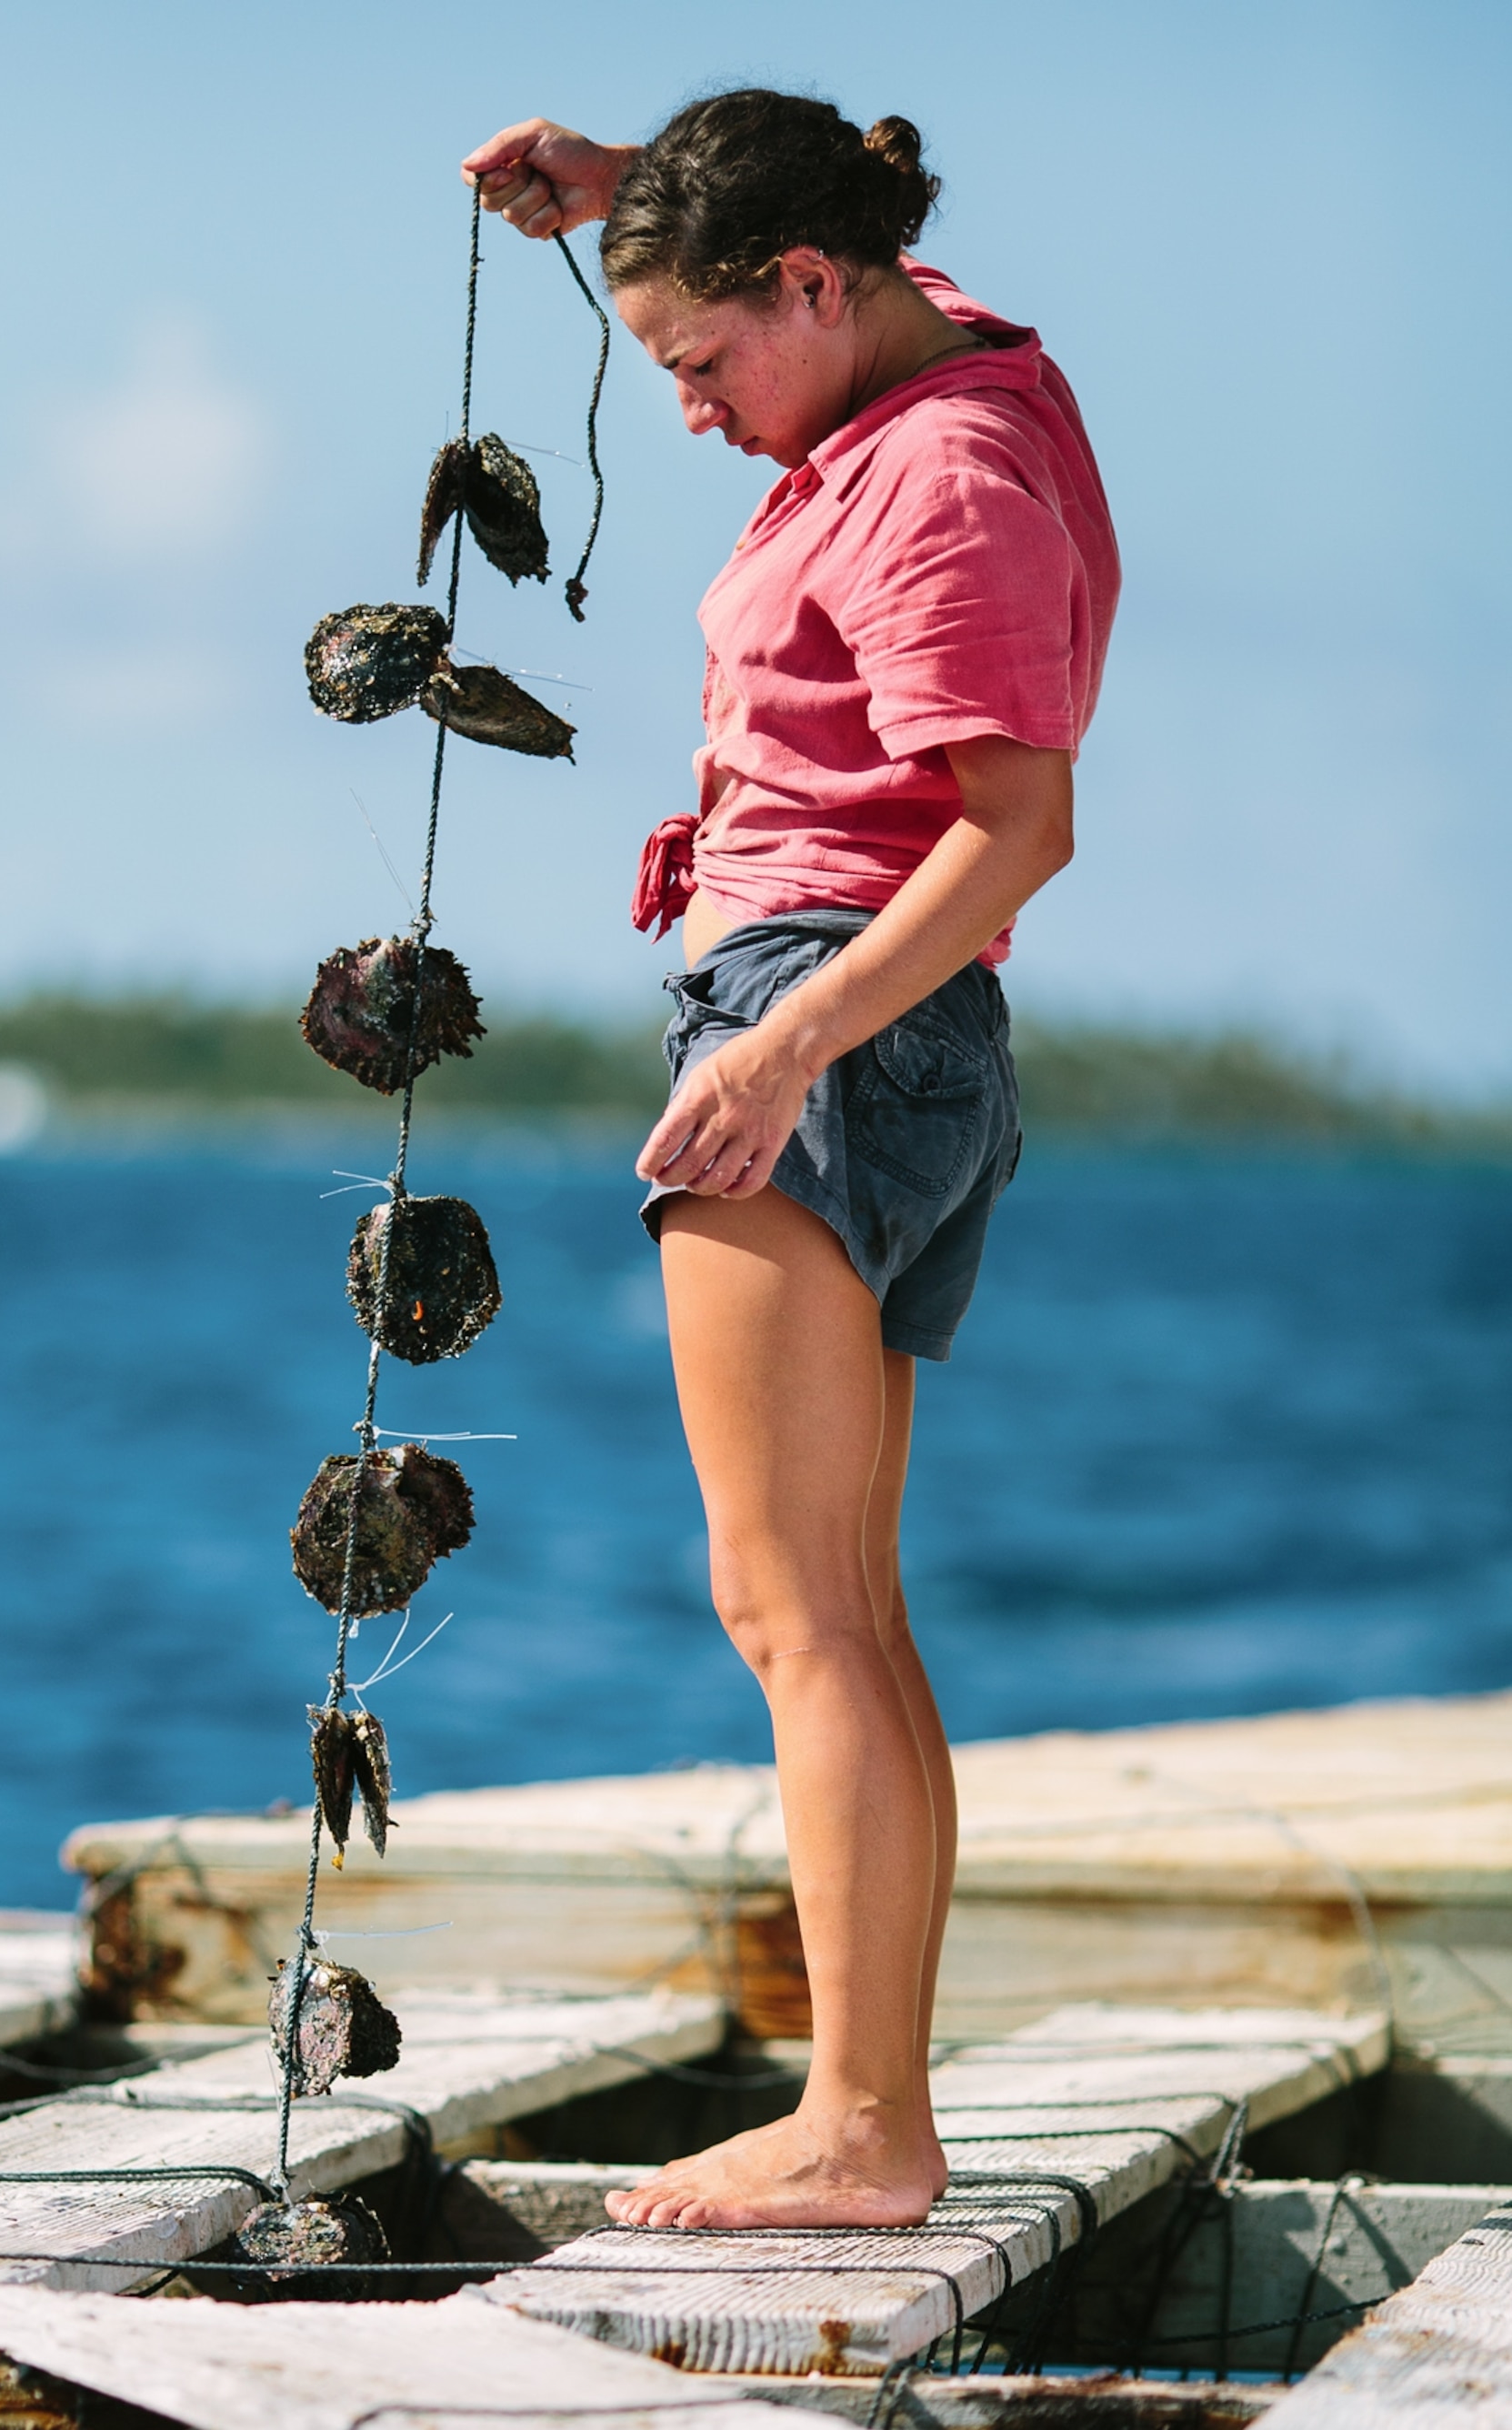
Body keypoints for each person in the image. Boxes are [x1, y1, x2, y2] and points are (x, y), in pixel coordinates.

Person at [464, 93, 1118, 2230]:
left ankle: (859, 2129)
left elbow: (1019, 825)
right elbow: (812, 236)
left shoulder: (937, 474)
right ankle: (872, 2112)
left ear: (815, 291)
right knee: (842, 1610)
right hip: (890, 1038)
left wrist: (773, 1057)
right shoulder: (943, 358)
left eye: (699, 363)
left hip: (829, 1017)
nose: (687, 411)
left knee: (789, 1612)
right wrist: (623, 192)